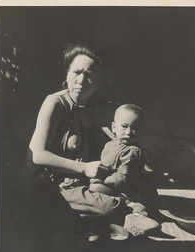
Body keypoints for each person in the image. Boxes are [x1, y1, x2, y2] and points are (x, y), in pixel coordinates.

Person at [22, 43, 130, 240]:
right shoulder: (55, 103)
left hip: (73, 183)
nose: (81, 80)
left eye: (90, 75)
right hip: (47, 187)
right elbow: (38, 155)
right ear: (67, 73)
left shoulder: (87, 109)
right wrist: (84, 168)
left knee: (126, 189)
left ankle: (89, 224)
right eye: (76, 72)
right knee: (115, 207)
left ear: (99, 82)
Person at [89, 104, 158, 216]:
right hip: (111, 181)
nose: (129, 132)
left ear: (142, 130)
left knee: (95, 188)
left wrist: (102, 180)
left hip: (127, 189)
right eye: (124, 126)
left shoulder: (132, 151)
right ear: (114, 127)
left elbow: (122, 179)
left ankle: (129, 204)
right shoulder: (110, 145)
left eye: (135, 128)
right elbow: (104, 163)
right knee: (92, 186)